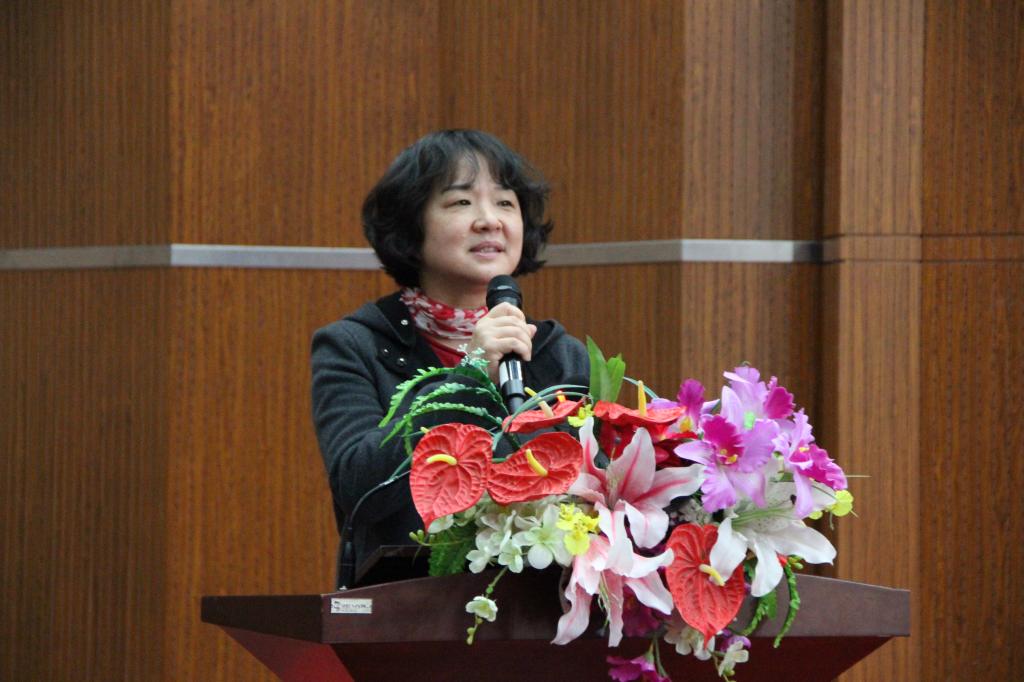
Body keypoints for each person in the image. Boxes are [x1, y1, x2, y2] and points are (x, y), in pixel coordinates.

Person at [310, 130, 589, 583]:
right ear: (411, 226)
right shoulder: (355, 346)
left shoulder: (558, 355)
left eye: (505, 203)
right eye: (461, 202)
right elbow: (358, 489)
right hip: (403, 602)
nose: (489, 221)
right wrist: (470, 376)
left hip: (541, 605)